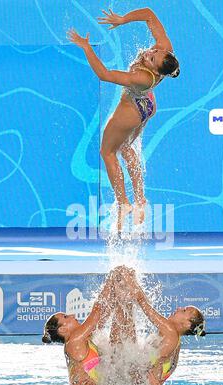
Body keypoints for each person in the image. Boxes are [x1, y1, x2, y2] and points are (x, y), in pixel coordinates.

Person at [67, 8, 180, 230]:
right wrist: (123, 19)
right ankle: (140, 198)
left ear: (157, 68)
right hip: (148, 104)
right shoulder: (165, 49)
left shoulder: (141, 76)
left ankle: (123, 203)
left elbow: (105, 75)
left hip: (133, 111)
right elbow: (148, 13)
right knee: (127, 148)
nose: (149, 53)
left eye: (151, 58)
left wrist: (87, 48)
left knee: (108, 152)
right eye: (153, 52)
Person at [112, 267, 206, 385]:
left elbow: (145, 306)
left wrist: (130, 280)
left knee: (122, 311)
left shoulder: (170, 333)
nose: (179, 308)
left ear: (187, 324)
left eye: (184, 310)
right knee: (125, 310)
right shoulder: (176, 341)